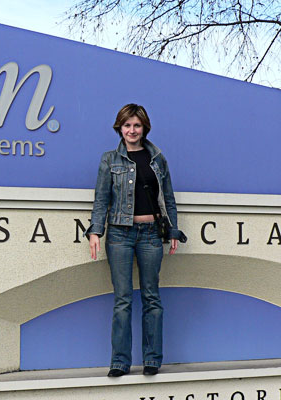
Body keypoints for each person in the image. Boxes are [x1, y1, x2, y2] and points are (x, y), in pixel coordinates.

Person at [86, 103, 187, 377]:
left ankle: (152, 359)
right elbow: (101, 199)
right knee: (123, 299)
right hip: (119, 233)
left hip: (151, 234)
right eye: (127, 125)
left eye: (137, 125)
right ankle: (120, 362)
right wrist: (96, 231)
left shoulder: (157, 158)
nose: (132, 130)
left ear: (144, 128)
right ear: (120, 128)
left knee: (152, 298)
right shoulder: (110, 159)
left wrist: (173, 230)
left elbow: (168, 198)